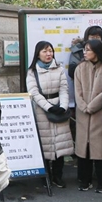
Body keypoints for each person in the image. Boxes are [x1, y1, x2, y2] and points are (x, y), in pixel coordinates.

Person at [26, 40, 74, 188]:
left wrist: (63, 106)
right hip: (42, 110)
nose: (48, 54)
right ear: (38, 54)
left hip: (59, 108)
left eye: (50, 51)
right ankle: (45, 176)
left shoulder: (58, 68)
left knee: (60, 145)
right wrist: (49, 107)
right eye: (45, 51)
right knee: (45, 145)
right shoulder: (32, 71)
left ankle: (58, 176)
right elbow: (33, 93)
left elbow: (64, 89)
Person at [74, 40, 102, 193]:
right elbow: (77, 91)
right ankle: (84, 180)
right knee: (83, 148)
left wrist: (92, 106)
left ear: (97, 51)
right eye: (84, 49)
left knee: (101, 148)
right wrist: (83, 106)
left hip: (100, 113)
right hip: (82, 113)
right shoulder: (80, 67)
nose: (85, 52)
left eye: (88, 49)